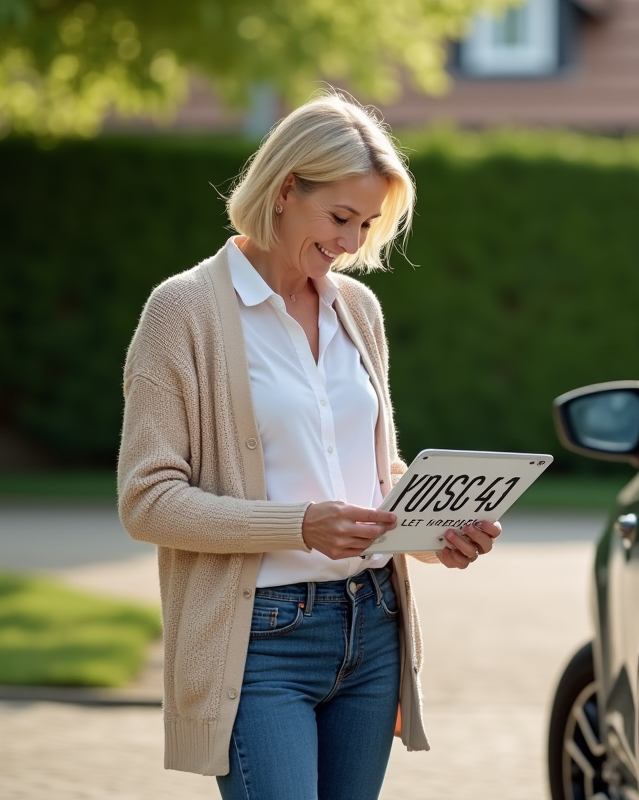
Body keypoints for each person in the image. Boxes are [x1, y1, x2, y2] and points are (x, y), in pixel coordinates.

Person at [116, 91, 500, 800]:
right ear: (286, 189)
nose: (353, 244)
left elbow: (365, 474)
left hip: (373, 624)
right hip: (260, 642)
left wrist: (431, 532)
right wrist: (296, 524)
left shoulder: (358, 309)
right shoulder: (183, 311)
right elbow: (147, 501)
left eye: (368, 224)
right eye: (341, 218)